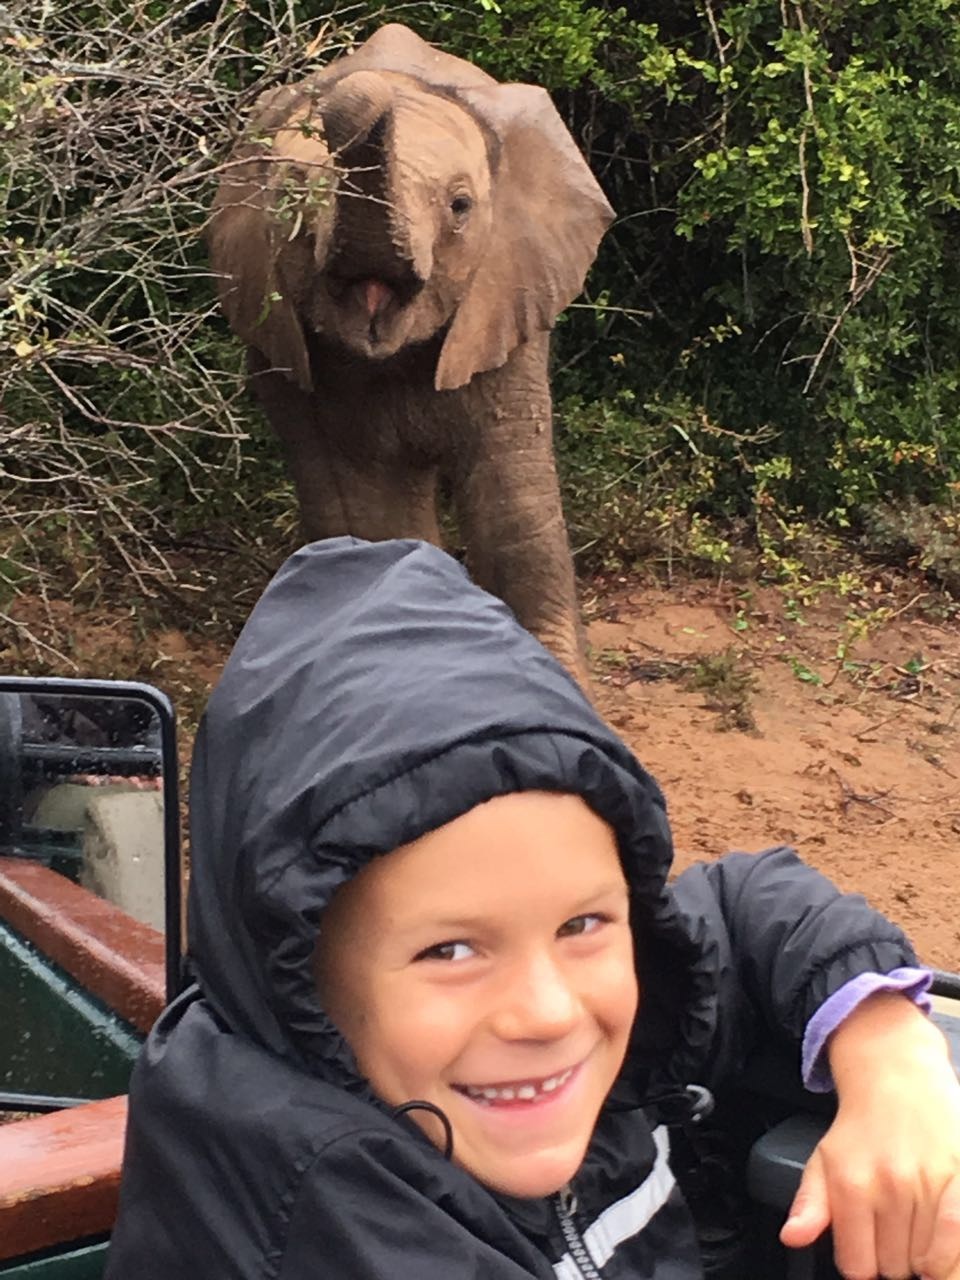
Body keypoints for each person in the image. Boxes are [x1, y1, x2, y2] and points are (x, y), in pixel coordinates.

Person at [105, 538, 960, 1280]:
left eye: (583, 923)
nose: (549, 1012)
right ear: (295, 978)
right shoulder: (319, 1220)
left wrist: (893, 1057)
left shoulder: (568, 1025)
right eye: (450, 951)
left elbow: (743, 902)